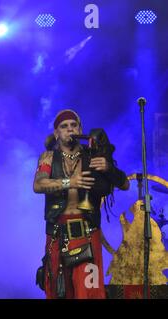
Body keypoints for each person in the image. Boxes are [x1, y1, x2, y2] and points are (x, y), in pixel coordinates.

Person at [33, 109, 129, 299]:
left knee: (89, 293)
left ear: (80, 128)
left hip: (88, 233)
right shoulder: (48, 157)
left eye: (73, 125)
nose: (70, 129)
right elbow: (38, 185)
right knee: (59, 292)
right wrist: (71, 182)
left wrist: (108, 168)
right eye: (64, 126)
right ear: (56, 133)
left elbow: (125, 184)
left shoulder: (93, 155)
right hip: (57, 235)